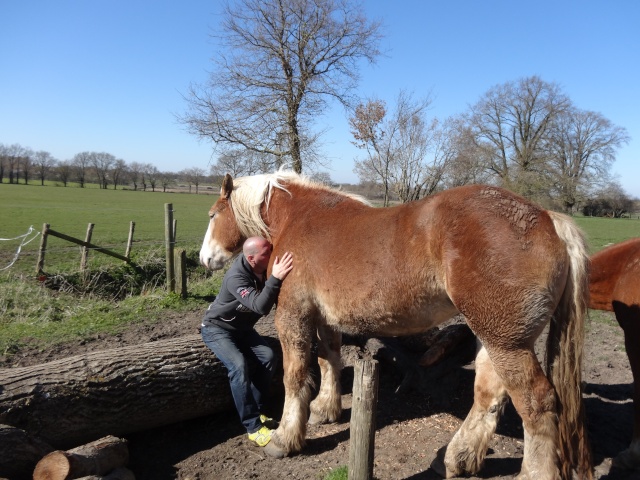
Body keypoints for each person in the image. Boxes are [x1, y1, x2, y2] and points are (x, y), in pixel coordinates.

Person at [201, 236, 293, 450]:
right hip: (217, 329)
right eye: (266, 254)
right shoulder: (237, 277)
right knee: (238, 366)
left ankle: (257, 410)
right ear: (251, 259)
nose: (271, 256)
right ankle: (252, 427)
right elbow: (260, 307)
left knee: (269, 357)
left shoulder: (262, 268)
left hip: (242, 329)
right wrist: (275, 279)